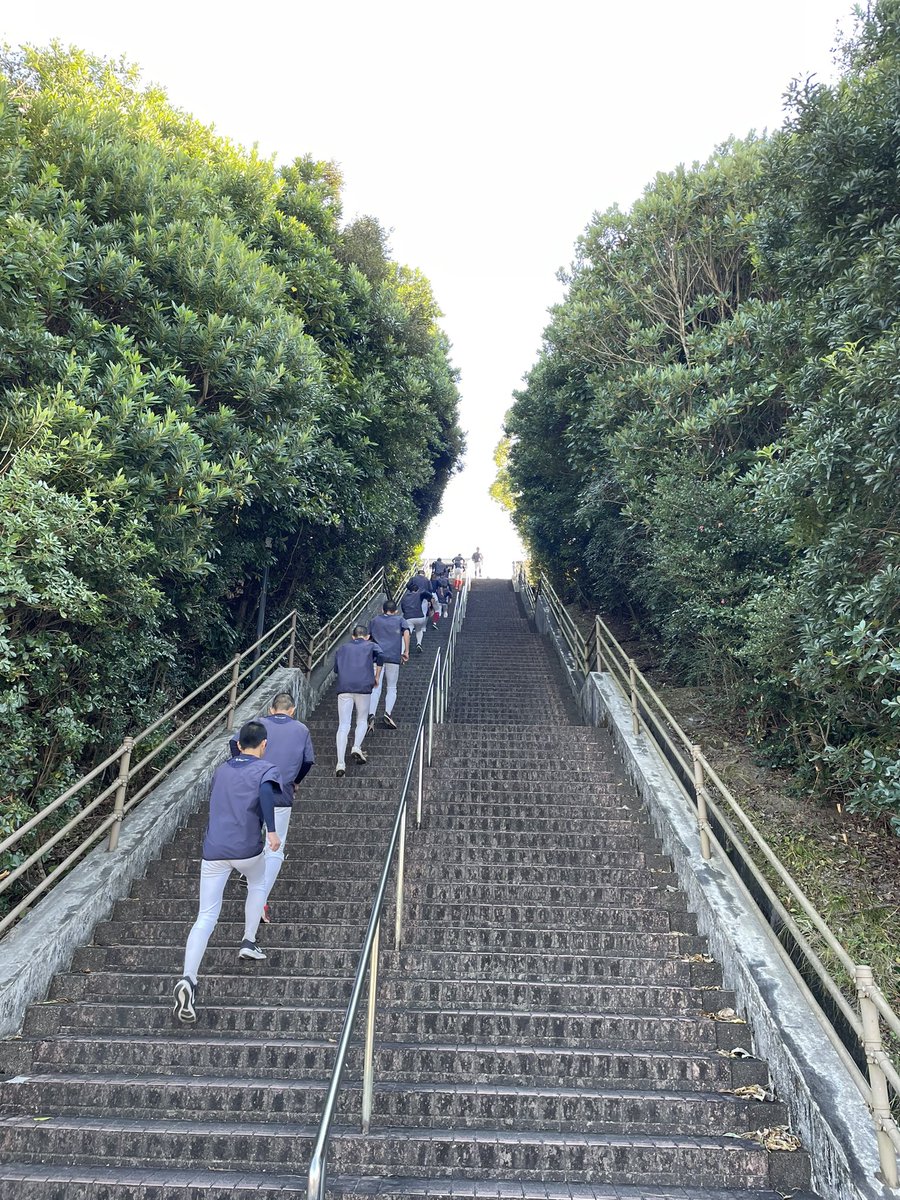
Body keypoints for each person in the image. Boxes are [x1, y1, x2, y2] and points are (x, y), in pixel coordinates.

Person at [173, 720, 281, 1023]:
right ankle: (249, 940)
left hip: (214, 850)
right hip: (246, 848)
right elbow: (266, 796)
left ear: (238, 743)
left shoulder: (221, 769)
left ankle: (189, 979)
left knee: (205, 915)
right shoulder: (265, 768)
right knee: (257, 883)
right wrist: (271, 831)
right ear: (263, 745)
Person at [230, 692, 315, 921]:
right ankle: (260, 901)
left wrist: (242, 768)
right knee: (276, 845)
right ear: (292, 710)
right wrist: (296, 781)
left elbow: (234, 742)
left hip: (251, 788)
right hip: (281, 791)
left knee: (252, 835)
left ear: (271, 709)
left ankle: (250, 871)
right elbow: (308, 761)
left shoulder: (258, 725)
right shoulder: (301, 730)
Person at [333, 625, 382, 775]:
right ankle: (356, 746)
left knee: (343, 724)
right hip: (363, 686)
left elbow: (336, 669)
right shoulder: (371, 645)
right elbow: (381, 655)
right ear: (366, 636)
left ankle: (340, 763)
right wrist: (377, 676)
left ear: (353, 636)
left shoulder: (342, 649)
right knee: (361, 720)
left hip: (344, 688)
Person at [368, 600, 411, 730]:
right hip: (393, 656)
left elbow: (368, 637)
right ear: (396, 610)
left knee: (376, 686)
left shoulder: (374, 620)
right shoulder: (400, 620)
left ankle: (371, 714)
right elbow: (406, 633)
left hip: (376, 657)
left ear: (382, 609)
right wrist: (406, 651)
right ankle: (387, 712)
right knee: (392, 687)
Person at [400, 581, 429, 653]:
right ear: (417, 590)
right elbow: (427, 594)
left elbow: (403, 608)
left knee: (406, 634)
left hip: (408, 618)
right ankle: (419, 643)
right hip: (420, 617)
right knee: (419, 630)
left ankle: (402, 651)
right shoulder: (419, 595)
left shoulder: (404, 597)